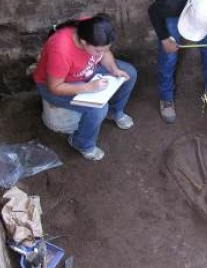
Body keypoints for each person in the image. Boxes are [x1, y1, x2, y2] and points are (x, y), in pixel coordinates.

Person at [33, 14, 136, 161]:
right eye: (97, 51)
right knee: (98, 108)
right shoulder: (61, 50)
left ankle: (114, 112)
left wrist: (114, 70)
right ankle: (81, 143)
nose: (102, 53)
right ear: (83, 42)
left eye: (104, 49)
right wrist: (88, 87)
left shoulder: (90, 28)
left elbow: (105, 52)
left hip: (85, 72)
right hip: (57, 85)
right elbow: (55, 87)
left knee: (129, 73)